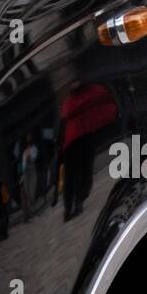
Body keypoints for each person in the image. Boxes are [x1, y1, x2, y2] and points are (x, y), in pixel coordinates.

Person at [58, 81, 118, 221]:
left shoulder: (90, 92)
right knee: (74, 175)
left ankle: (77, 203)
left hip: (83, 137)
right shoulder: (71, 100)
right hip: (73, 141)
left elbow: (103, 99)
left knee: (83, 173)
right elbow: (67, 113)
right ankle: (70, 207)